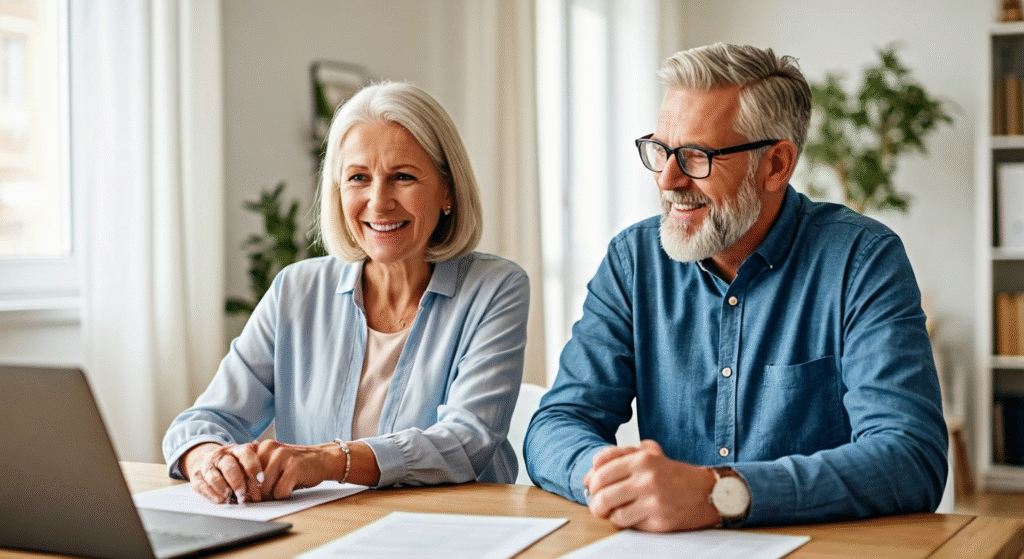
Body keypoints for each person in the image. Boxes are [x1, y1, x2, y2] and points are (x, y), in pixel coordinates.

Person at [524, 43, 948, 532]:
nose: (667, 179)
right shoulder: (633, 261)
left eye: (696, 157)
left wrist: (720, 494)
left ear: (776, 165)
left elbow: (910, 458)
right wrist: (617, 481)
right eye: (660, 151)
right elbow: (555, 426)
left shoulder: (862, 260)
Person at [164, 81, 529, 504]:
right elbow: (204, 420)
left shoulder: (496, 288)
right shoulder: (295, 289)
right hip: (324, 532)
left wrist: (330, 460)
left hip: (453, 530)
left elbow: (467, 441)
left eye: (403, 177)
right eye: (358, 178)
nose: (378, 202)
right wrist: (209, 459)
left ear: (448, 189)